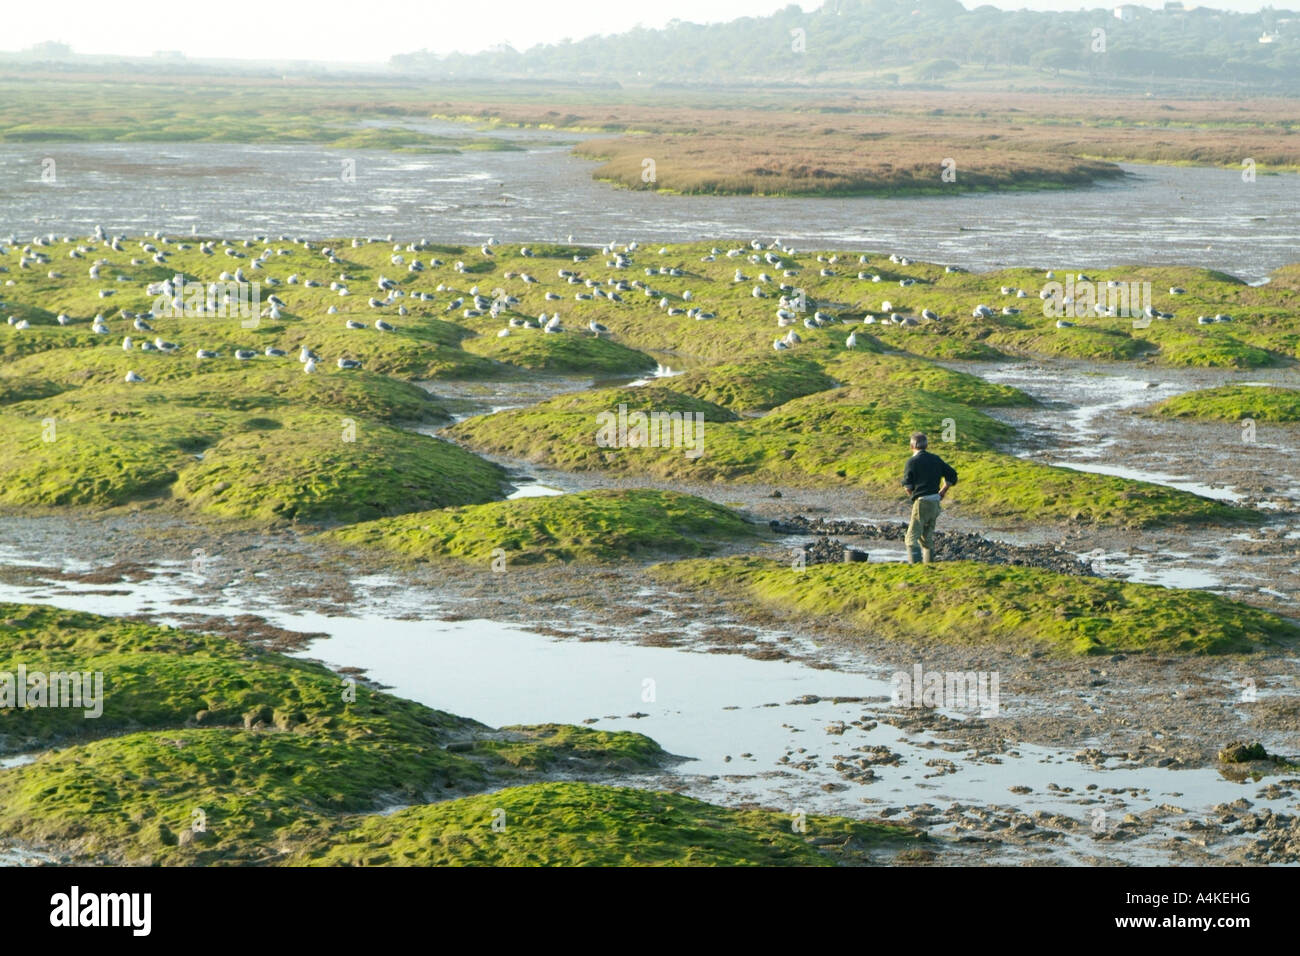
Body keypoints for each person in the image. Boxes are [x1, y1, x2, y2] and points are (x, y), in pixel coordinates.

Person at [901, 432, 958, 565]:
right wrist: (943, 491)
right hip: (935, 502)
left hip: (922, 502)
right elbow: (952, 475)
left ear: (912, 446)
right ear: (926, 446)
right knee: (926, 537)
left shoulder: (912, 462)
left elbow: (907, 486)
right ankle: (929, 566)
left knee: (911, 538)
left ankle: (915, 566)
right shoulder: (935, 459)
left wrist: (913, 496)